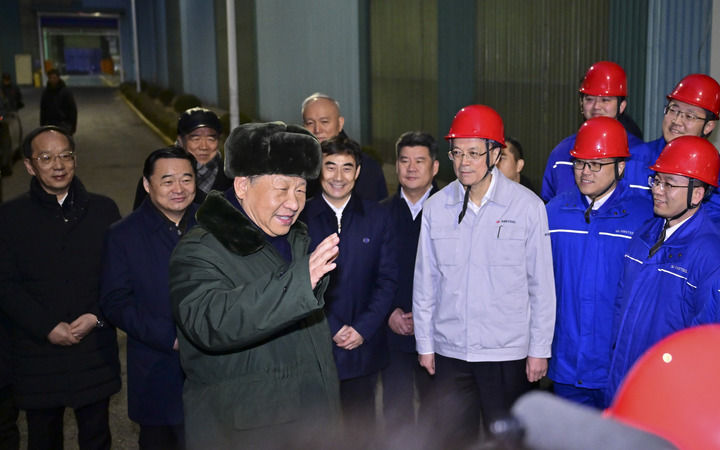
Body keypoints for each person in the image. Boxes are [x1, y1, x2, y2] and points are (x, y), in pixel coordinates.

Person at [168, 122, 341, 448]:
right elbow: (211, 321)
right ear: (242, 185)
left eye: (301, 189)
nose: (294, 203)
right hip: (246, 432)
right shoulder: (200, 249)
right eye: (282, 188)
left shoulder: (295, 240)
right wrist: (298, 283)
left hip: (311, 422)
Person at [413, 105, 556, 447]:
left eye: (474, 153)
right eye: (457, 152)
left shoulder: (527, 207)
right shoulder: (436, 207)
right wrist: (426, 344)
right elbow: (425, 283)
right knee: (452, 440)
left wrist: (539, 349)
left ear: (495, 154)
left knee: (507, 441)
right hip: (450, 351)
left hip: (506, 354)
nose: (464, 162)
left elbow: (541, 286)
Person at [0, 125, 121, 449]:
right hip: (37, 352)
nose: (58, 165)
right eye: (46, 158)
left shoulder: (104, 210)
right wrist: (46, 327)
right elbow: (6, 285)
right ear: (29, 165)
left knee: (97, 437)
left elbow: (119, 277)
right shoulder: (10, 218)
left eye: (65, 156)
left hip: (94, 348)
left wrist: (96, 317)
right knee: (43, 437)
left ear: (75, 160)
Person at [545, 117, 653, 409]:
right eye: (579, 163)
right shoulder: (555, 212)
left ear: (621, 167)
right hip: (566, 365)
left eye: (596, 164)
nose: (585, 172)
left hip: (618, 367)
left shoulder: (644, 218)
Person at [606, 136, 720, 403]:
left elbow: (705, 337)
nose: (657, 190)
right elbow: (621, 306)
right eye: (656, 180)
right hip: (625, 378)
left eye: (669, 184)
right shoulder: (645, 233)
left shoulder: (710, 254)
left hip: (667, 391)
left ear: (697, 194)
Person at [101, 147, 199, 449]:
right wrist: (168, 337)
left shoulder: (214, 225)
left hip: (212, 372)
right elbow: (115, 301)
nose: (179, 188)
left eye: (186, 179)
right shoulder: (124, 234)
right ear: (147, 184)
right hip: (157, 368)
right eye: (167, 181)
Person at [300, 136, 397, 442]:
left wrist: (363, 329)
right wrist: (331, 326)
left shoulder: (378, 217)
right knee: (315, 436)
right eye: (330, 167)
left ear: (357, 172)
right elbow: (295, 280)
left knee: (361, 434)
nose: (338, 176)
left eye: (347, 167)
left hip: (362, 347)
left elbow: (387, 280)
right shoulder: (300, 218)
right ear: (318, 169)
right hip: (314, 347)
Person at [380, 131, 438, 438]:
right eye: (404, 161)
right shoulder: (380, 214)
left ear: (435, 167)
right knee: (396, 412)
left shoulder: (453, 212)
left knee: (438, 415)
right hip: (393, 330)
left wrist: (427, 316)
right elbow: (372, 273)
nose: (411, 168)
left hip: (441, 333)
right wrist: (389, 312)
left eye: (420, 161)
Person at [541, 61, 652, 202]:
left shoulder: (643, 156)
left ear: (622, 106)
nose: (596, 107)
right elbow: (548, 205)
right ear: (581, 104)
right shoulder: (562, 154)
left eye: (605, 100)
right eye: (589, 99)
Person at [643, 74, 720, 222]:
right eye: (673, 110)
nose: (677, 121)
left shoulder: (716, 175)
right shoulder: (634, 160)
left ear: (708, 126)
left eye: (690, 116)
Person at [133, 107, 231, 208]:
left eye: (211, 139)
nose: (204, 146)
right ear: (180, 140)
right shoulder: (154, 179)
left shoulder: (232, 180)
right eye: (195, 139)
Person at [301, 92, 388, 201]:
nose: (317, 130)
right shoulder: (297, 164)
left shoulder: (367, 167)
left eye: (324, 122)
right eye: (310, 123)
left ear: (340, 123)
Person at [40, 69, 77, 135]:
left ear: (58, 78)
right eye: (50, 78)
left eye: (54, 78)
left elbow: (72, 110)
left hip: (63, 124)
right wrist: (42, 126)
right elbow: (43, 110)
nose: (52, 80)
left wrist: (72, 127)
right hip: (49, 124)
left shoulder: (66, 92)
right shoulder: (45, 93)